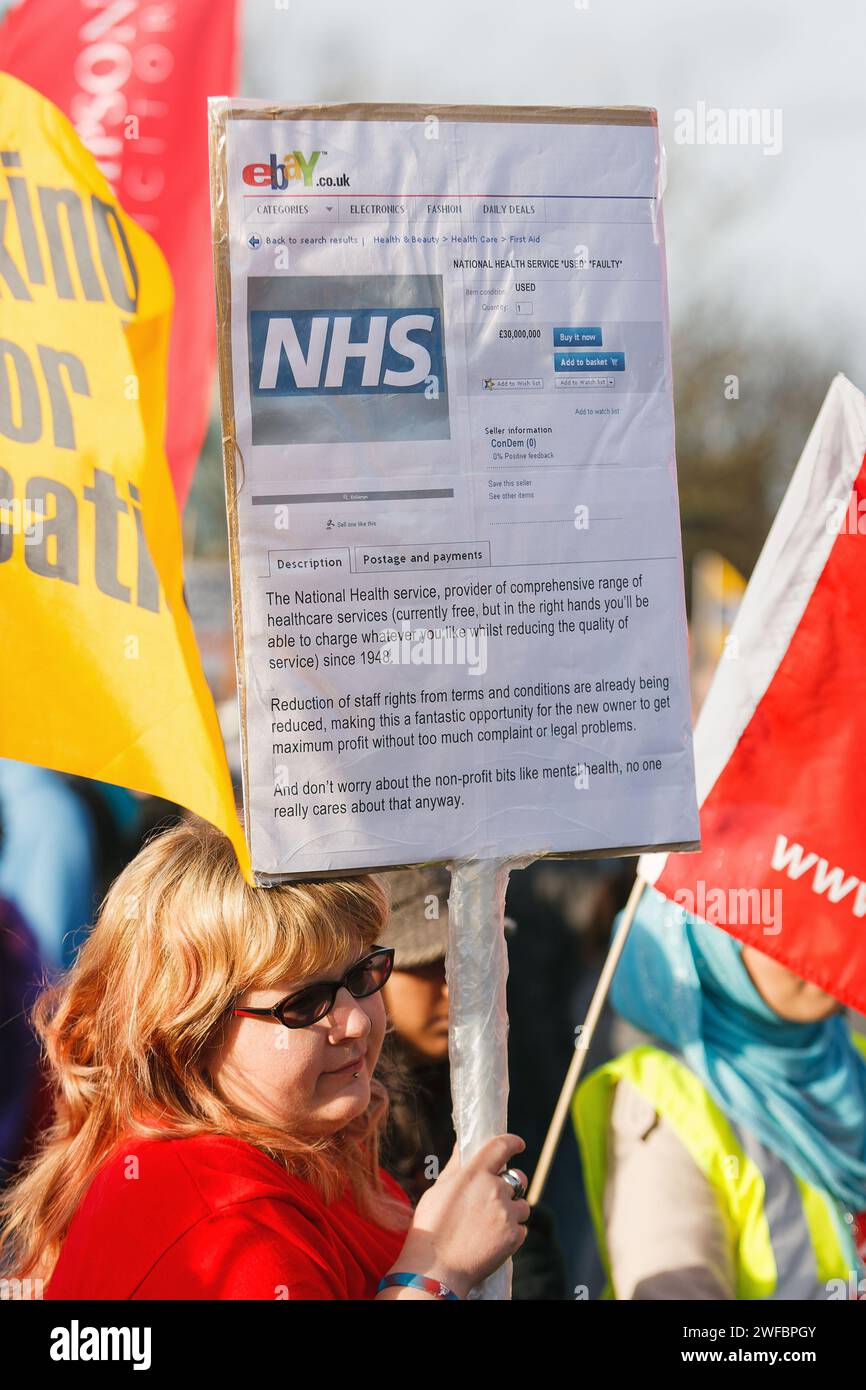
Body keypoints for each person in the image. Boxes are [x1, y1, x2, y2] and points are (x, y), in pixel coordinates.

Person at [0, 817, 529, 1300]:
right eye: (305, 1003)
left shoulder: (306, 1147)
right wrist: (434, 1272)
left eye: (362, 976)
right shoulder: (219, 1218)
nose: (358, 1022)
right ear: (191, 1035)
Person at [572, 885, 866, 1299]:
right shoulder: (665, 1099)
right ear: (712, 944)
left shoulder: (852, 1055)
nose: (823, 943)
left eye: (829, 916)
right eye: (784, 925)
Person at [380, 865, 568, 1299]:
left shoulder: (475, 1075)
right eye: (429, 963)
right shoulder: (344, 1118)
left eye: (465, 960)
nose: (456, 986)